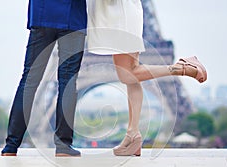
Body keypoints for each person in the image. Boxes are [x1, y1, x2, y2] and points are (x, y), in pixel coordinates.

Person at [87, 0, 207, 156]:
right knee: (132, 76)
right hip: (121, 13)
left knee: (127, 74)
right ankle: (133, 134)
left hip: (118, 16)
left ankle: (182, 68)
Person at [1, 0, 87, 157]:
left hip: (42, 14)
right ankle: (63, 145)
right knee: (67, 82)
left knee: (29, 81)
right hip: (72, 17)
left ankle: (11, 146)